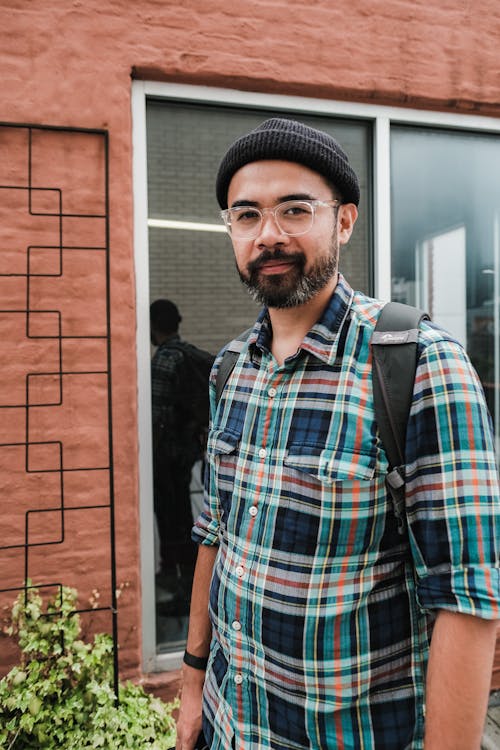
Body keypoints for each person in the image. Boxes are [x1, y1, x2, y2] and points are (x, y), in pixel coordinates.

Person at [176, 119, 500, 749]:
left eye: (295, 209)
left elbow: (465, 594)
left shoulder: (417, 363)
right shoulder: (230, 368)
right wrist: (192, 683)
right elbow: (214, 535)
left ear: (345, 221)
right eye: (246, 216)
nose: (268, 235)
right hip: (229, 725)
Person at [150, 299, 204, 582]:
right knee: (184, 517)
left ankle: (176, 578)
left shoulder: (164, 360)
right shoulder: (189, 354)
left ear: (154, 325)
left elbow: (156, 418)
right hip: (187, 454)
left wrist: (149, 457)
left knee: (171, 520)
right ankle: (187, 577)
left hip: (167, 457)